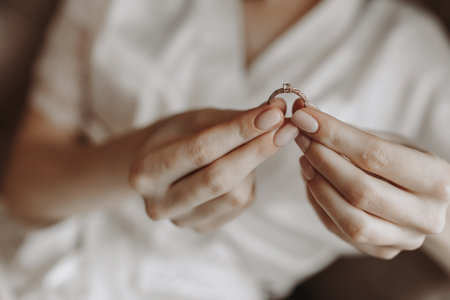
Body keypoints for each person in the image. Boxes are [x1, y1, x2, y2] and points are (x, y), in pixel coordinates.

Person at [1, 0, 449, 299]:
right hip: (32, 264)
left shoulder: (414, 56)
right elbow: (25, 187)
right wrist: (134, 155)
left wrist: (431, 213)